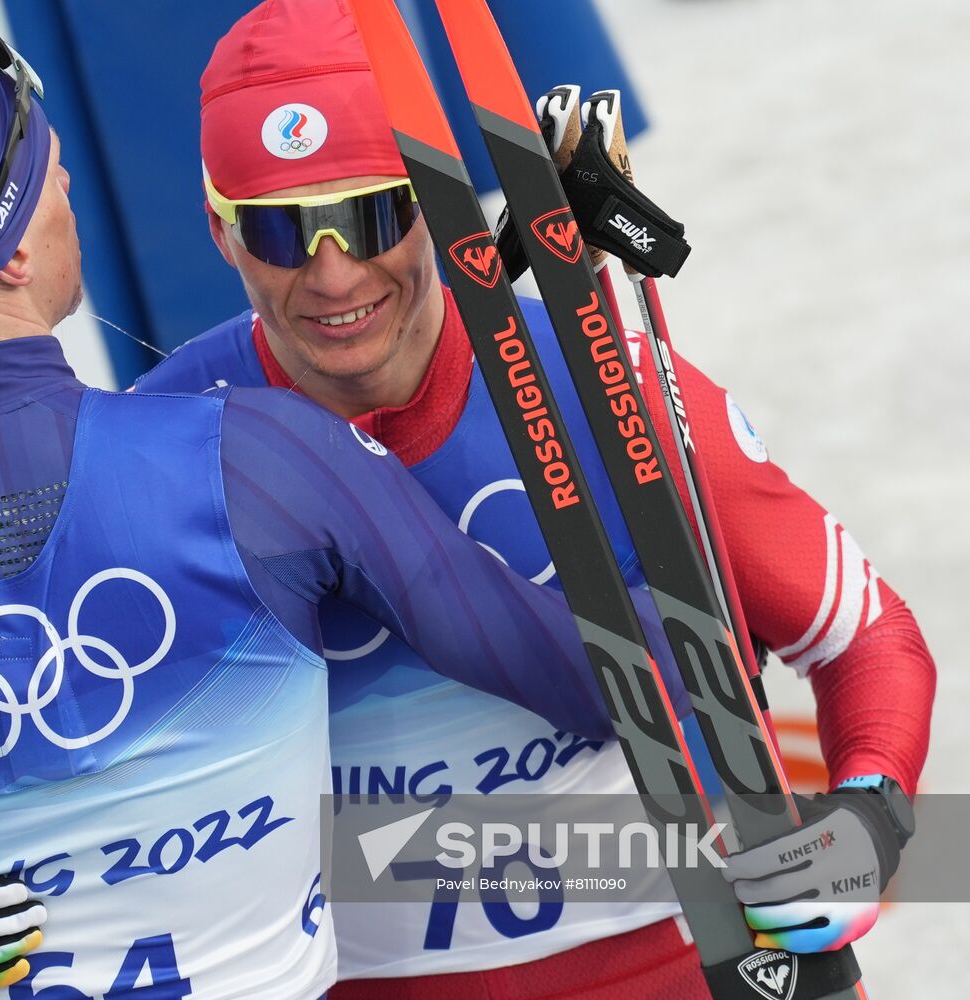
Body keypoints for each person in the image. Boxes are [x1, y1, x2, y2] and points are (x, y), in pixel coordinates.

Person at [0, 16, 658, 1000]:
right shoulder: (253, 456)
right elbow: (628, 690)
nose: (70, 185)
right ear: (8, 254)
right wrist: (561, 303)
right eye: (49, 171)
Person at [134, 1, 933, 997]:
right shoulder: (158, 445)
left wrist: (871, 816)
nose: (333, 273)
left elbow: (863, 637)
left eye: (373, 214)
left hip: (685, 955)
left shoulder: (606, 378)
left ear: (437, 200)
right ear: (221, 231)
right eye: (283, 233)